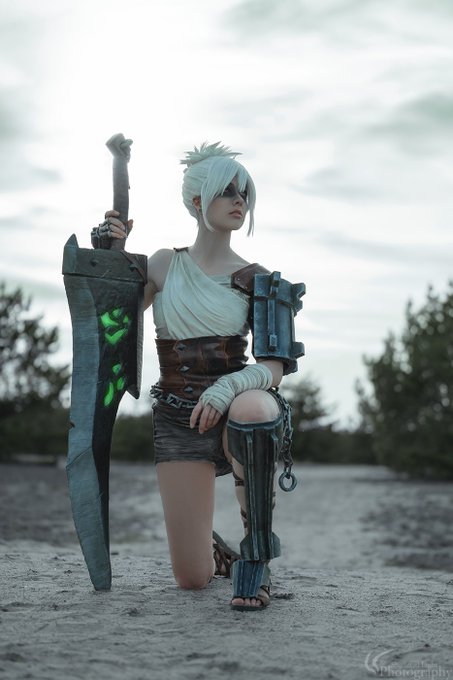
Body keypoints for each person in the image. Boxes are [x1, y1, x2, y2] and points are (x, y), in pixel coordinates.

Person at [95, 142, 304, 611]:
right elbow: (112, 319)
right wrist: (109, 254)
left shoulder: (258, 278)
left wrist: (228, 387)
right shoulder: (162, 265)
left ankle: (256, 558)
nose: (239, 200)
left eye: (244, 192)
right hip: (177, 414)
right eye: (227, 191)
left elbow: (275, 367)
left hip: (237, 404)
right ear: (197, 200)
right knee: (191, 579)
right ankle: (217, 552)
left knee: (255, 408)